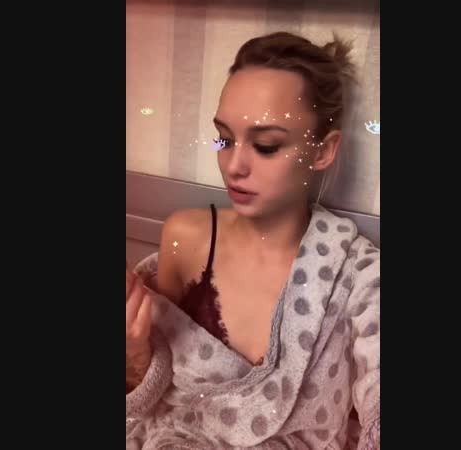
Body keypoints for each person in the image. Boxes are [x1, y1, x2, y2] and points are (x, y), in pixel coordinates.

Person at [126, 31, 380, 449]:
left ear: (323, 151)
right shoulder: (186, 239)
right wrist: (134, 355)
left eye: (265, 146)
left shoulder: (355, 274)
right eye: (224, 139)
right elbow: (153, 396)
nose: (234, 165)